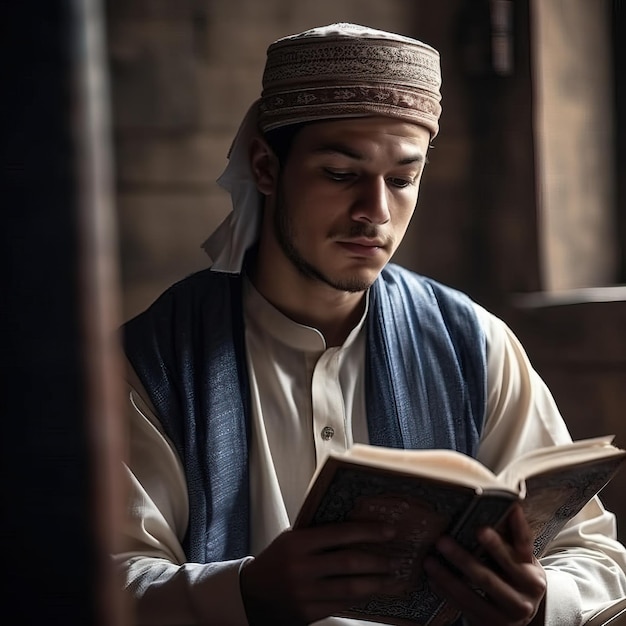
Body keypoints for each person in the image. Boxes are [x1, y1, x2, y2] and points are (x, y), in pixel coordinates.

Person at [114, 22, 626, 626]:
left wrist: (540, 604)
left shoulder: (473, 343)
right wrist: (248, 594)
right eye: (340, 174)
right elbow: (100, 578)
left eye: (403, 181)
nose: (375, 213)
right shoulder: (153, 362)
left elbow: (594, 557)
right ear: (266, 166)